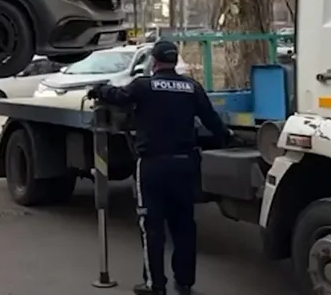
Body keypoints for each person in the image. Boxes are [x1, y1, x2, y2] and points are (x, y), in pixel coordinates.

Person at [86, 40, 231, 295]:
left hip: (152, 165)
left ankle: (155, 285)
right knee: (184, 226)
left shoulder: (144, 86)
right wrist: (230, 139)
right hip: (184, 164)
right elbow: (212, 121)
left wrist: (99, 90)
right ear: (174, 61)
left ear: (154, 62)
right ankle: (184, 282)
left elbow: (117, 96)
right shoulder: (192, 87)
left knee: (151, 226)